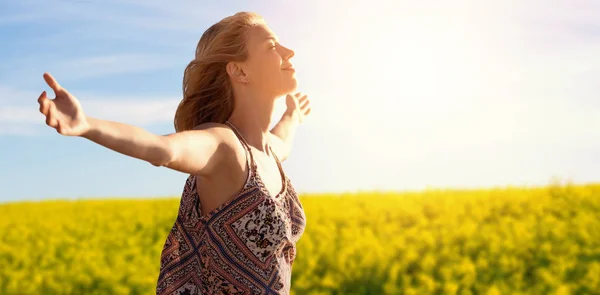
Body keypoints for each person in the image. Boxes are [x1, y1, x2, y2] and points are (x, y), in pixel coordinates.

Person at [37, 11, 311, 295]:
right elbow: (163, 149)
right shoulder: (225, 147)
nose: (289, 52)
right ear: (239, 71)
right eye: (271, 46)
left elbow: (284, 140)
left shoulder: (268, 151)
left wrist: (293, 114)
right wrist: (87, 125)